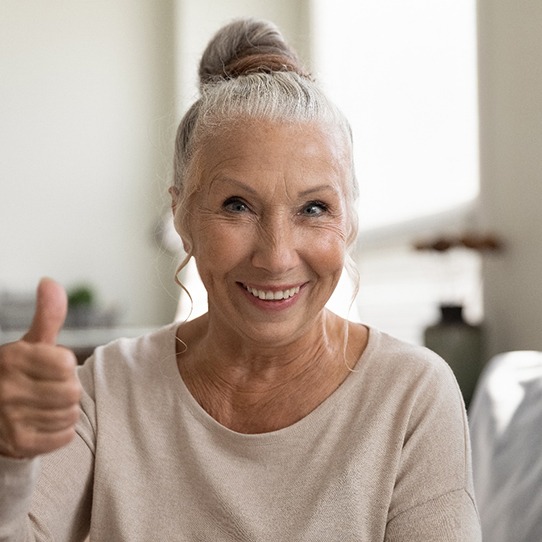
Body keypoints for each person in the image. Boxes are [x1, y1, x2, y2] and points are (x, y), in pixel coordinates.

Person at [0, 18, 481, 541]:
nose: (276, 257)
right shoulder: (107, 389)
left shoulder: (411, 396)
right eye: (237, 205)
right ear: (182, 217)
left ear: (350, 223)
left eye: (314, 207)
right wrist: (8, 461)